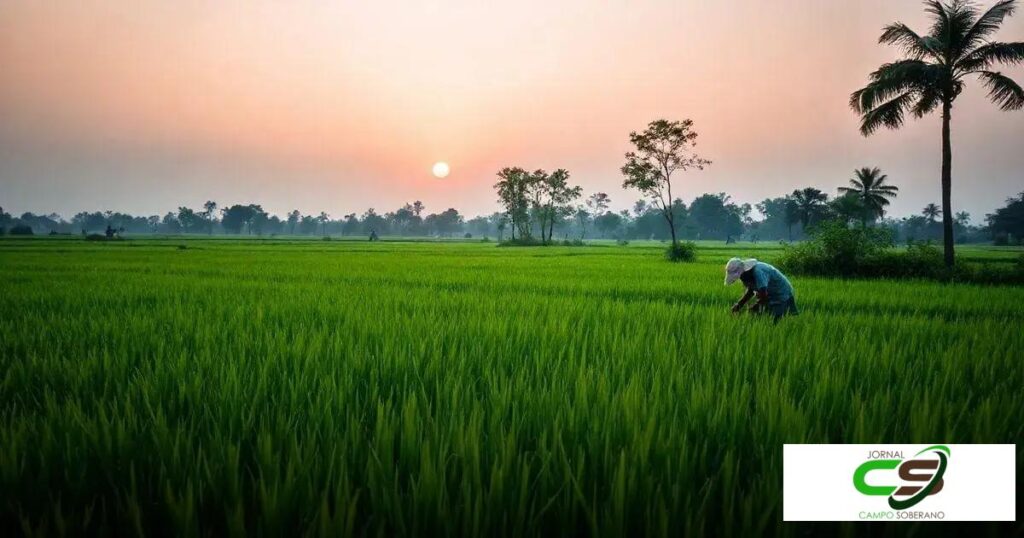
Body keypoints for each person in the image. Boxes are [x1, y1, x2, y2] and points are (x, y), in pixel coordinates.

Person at [725, 258, 798, 322]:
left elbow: (764, 296)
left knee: (774, 320)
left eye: (739, 276)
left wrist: (755, 306)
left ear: (743, 271)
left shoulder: (758, 272)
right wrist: (739, 305)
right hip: (770, 294)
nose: (740, 279)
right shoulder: (746, 275)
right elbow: (750, 291)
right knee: (763, 318)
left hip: (781, 293)